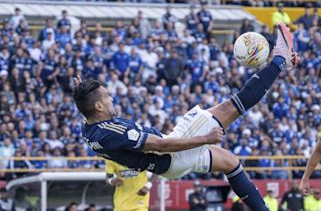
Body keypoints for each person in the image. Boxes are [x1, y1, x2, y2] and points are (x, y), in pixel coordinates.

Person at [73, 23, 299, 211]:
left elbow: (89, 112)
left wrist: (81, 93)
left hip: (168, 164)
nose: (112, 98)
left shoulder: (89, 128)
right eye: (107, 97)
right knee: (230, 107)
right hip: (172, 153)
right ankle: (280, 59)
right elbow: (162, 145)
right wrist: (206, 139)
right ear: (99, 105)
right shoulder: (116, 133)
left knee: (230, 163)